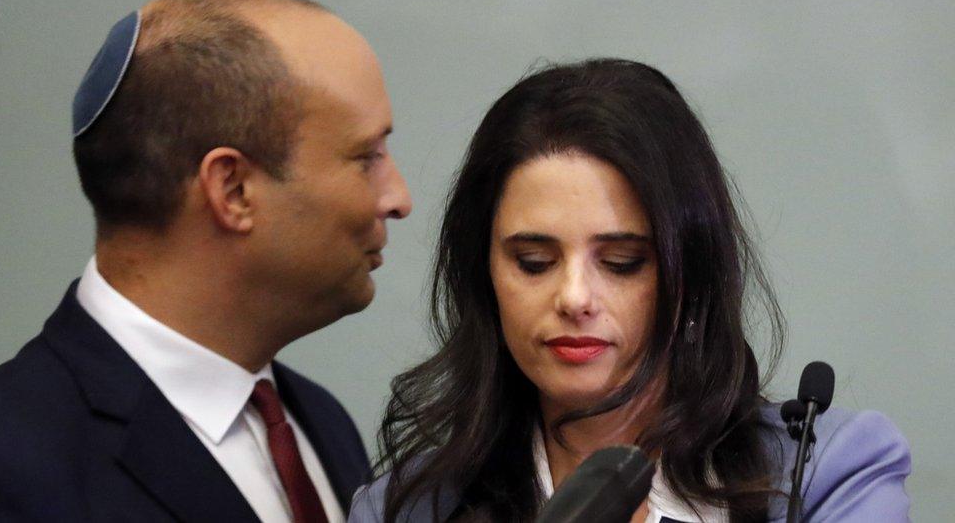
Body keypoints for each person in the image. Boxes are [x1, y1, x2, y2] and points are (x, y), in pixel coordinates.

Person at [348, 60, 909, 522]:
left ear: (688, 273)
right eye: (534, 262)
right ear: (485, 275)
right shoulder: (401, 508)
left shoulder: (830, 474)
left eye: (621, 263)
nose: (574, 297)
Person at [0, 0, 411, 523]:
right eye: (365, 157)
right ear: (232, 190)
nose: (398, 199)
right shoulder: (4, 467)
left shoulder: (318, 422)